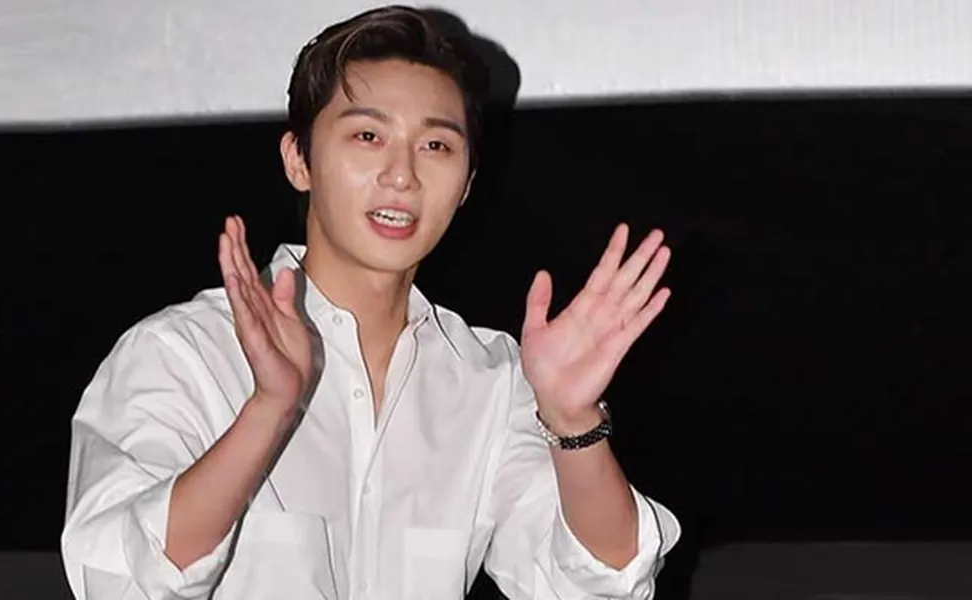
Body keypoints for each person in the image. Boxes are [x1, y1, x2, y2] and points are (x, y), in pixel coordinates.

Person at [60, 5, 680, 599]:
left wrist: (573, 422)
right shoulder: (181, 353)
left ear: (467, 185)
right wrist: (268, 410)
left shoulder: (490, 379)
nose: (402, 175)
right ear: (299, 160)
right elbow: (118, 580)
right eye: (367, 135)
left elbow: (596, 585)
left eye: (436, 146)